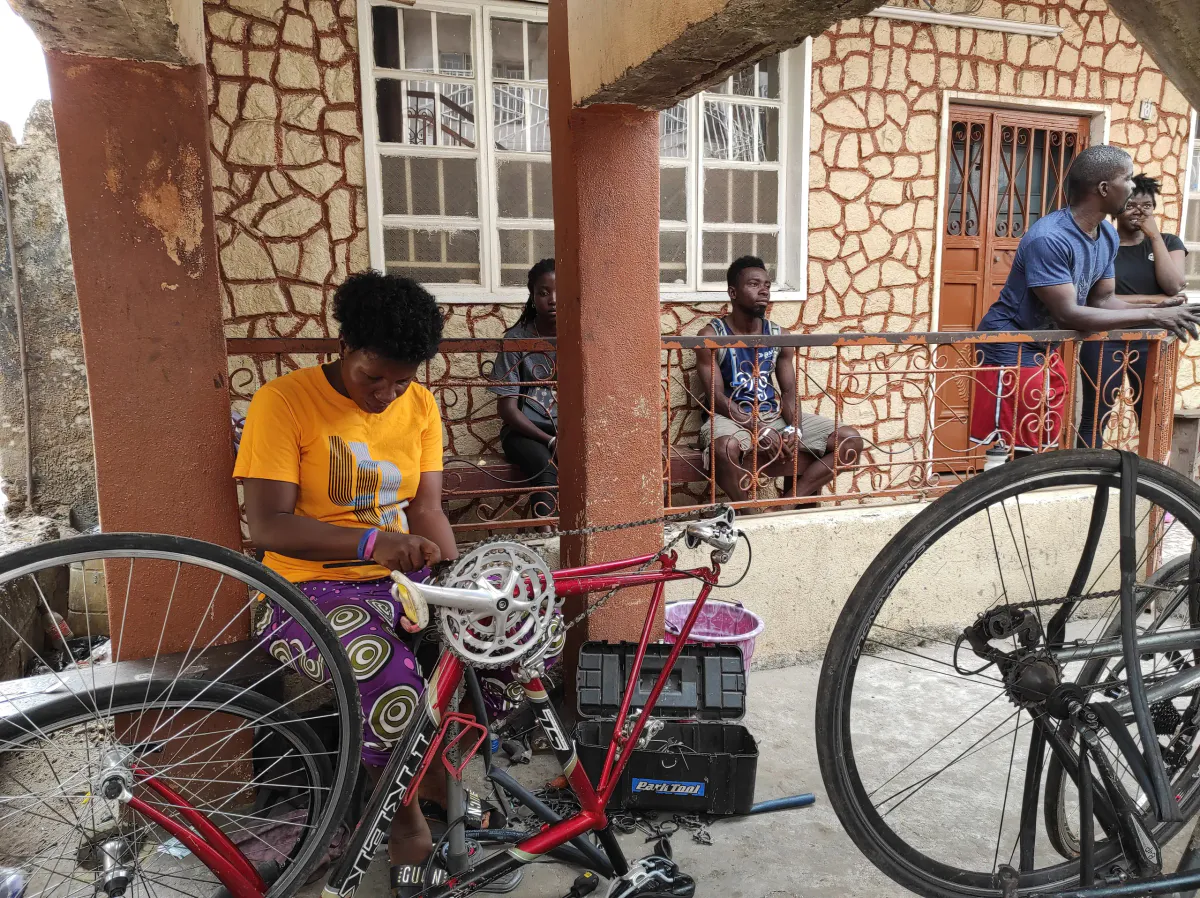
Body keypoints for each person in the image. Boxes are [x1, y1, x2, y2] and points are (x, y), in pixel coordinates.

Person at [234, 272, 459, 896]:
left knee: (494, 645)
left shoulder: (420, 406)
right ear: (345, 345)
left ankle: (439, 775)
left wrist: (457, 579)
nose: (387, 393)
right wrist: (373, 544)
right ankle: (404, 820)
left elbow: (427, 511)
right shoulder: (284, 403)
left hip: (400, 583)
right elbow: (269, 526)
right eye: (373, 377)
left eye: (402, 379)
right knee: (387, 680)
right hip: (306, 594)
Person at [970, 145, 1200, 452]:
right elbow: (1069, 313)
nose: (1133, 187)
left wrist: (1156, 306)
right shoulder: (1049, 238)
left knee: (1038, 446)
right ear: (1104, 189)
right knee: (1013, 451)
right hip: (1010, 345)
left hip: (1045, 347)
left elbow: (1103, 301)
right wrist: (1153, 316)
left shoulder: (1105, 234)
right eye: (1128, 179)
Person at [695, 256, 863, 503]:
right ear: (733, 292)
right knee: (724, 449)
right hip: (731, 418)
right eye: (754, 284)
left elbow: (789, 391)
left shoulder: (778, 335)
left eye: (767, 285)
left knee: (850, 440)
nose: (764, 290)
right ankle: (749, 514)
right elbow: (716, 397)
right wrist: (758, 429)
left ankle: (786, 505)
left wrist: (794, 427)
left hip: (773, 416)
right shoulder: (711, 336)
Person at [1077, 174, 1189, 446]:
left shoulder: (1169, 242)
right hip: (1105, 338)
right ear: (1118, 207)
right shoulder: (1101, 245)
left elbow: (1174, 287)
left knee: (1150, 412)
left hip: (1151, 341)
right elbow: (1098, 300)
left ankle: (1149, 482)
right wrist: (1155, 301)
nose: (1139, 212)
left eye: (1147, 206)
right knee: (1096, 413)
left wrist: (1154, 238)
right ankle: (1084, 475)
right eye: (1132, 204)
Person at [491, 259, 558, 522]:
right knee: (544, 463)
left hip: (570, 430)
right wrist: (551, 440)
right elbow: (506, 409)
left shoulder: (582, 336)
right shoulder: (516, 340)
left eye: (560, 291)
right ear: (532, 297)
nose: (552, 300)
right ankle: (545, 527)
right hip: (524, 432)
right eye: (543, 293)